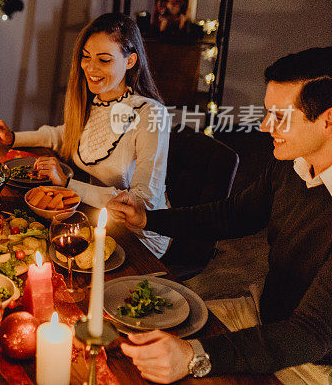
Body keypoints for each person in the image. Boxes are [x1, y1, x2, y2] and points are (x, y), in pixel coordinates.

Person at [108, 47, 332, 383]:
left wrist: (195, 356)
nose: (263, 126)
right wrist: (149, 219)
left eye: (280, 116)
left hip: (315, 359)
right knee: (135, 338)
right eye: (267, 112)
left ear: (328, 120)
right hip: (263, 314)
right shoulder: (291, 164)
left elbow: (311, 333)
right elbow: (235, 214)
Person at [0, 13, 171, 257]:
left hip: (140, 238)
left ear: (130, 61)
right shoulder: (97, 101)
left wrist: (68, 185)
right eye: (86, 57)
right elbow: (63, 134)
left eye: (104, 60)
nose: (90, 68)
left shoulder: (151, 115)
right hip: (97, 217)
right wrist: (13, 138)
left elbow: (140, 204)